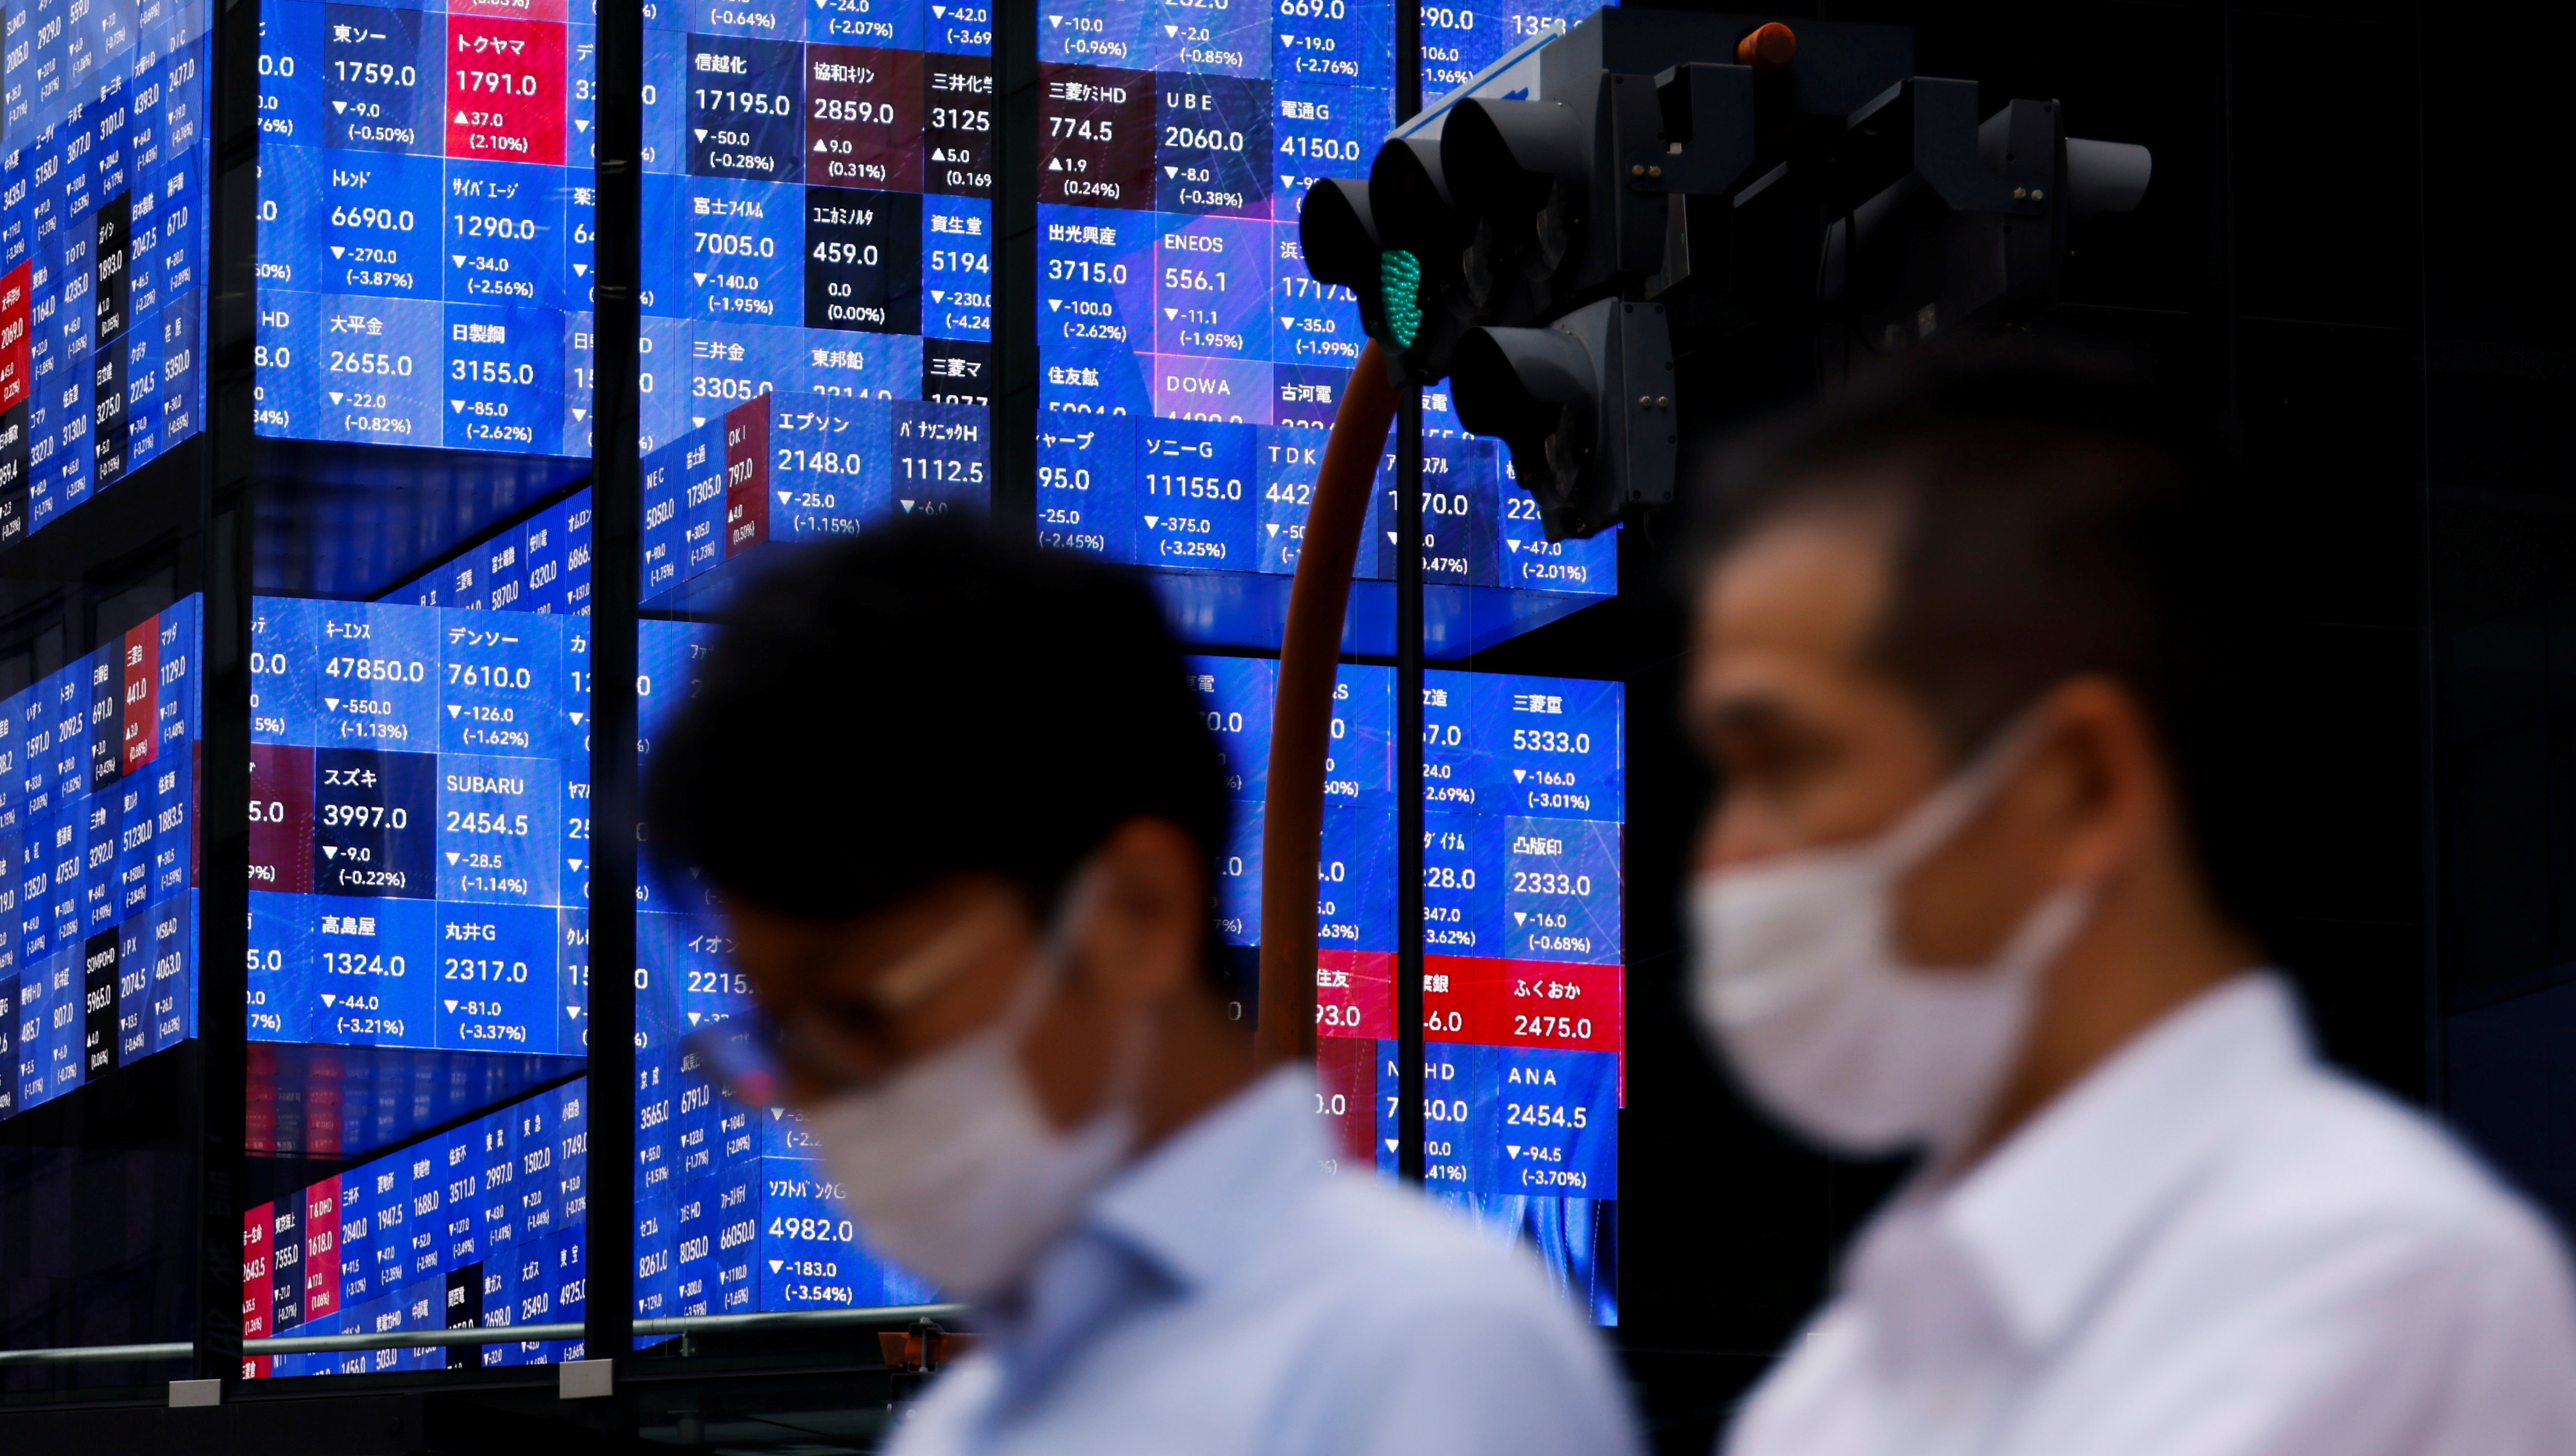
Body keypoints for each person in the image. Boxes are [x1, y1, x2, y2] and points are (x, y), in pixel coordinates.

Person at [1682, 347, 2576, 1456]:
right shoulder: (1841, 1375)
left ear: (2079, 784)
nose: (1724, 859)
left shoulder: (2388, 1285)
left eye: (1786, 764)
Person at [646, 517, 1642, 1456]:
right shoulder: (960, 1430)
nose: (821, 1102)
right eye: (775, 1038)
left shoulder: (1427, 1346)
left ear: (1135, 912)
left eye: (865, 1008)